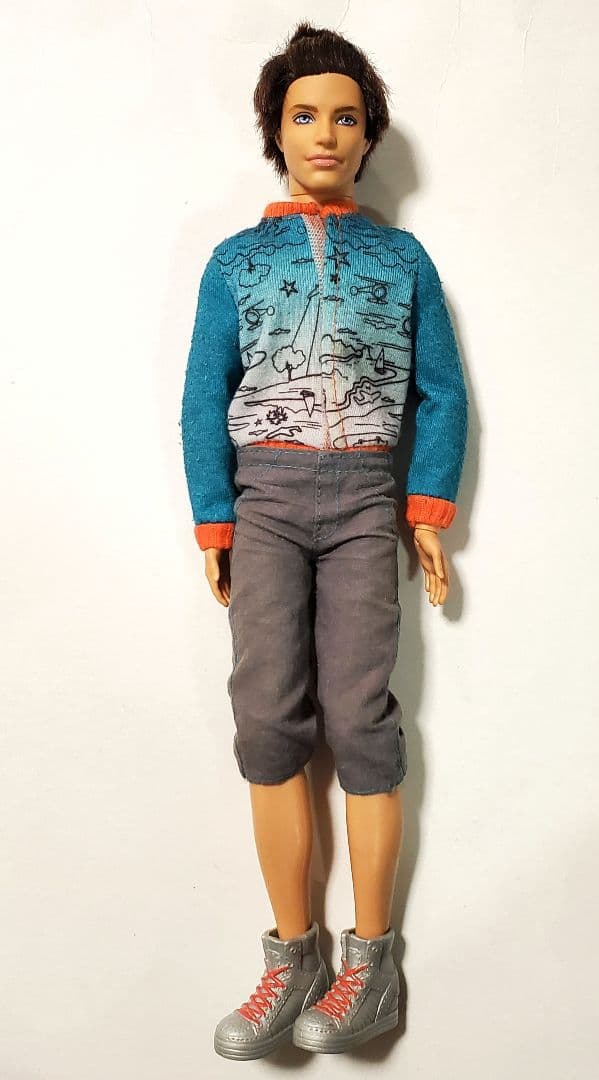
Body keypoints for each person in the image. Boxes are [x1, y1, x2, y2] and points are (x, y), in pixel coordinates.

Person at [180, 21, 468, 1060]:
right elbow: (201, 396)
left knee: (360, 716)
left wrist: (424, 512)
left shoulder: (400, 258)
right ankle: (290, 957)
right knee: (267, 718)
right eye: (304, 115)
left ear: (367, 136)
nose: (325, 134)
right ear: (276, 129)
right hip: (263, 504)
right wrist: (214, 517)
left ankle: (371, 965)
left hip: (360, 505)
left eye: (346, 118)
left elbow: (440, 393)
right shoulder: (236, 260)